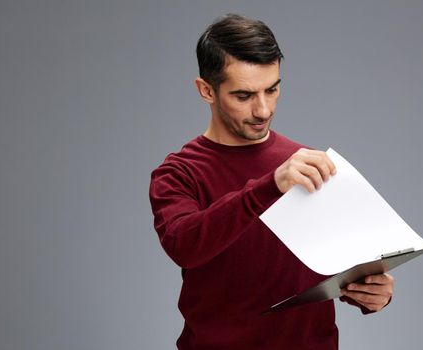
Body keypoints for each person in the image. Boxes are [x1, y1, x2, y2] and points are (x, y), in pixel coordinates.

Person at [149, 14, 394, 349]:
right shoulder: (179, 173)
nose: (263, 110)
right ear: (206, 90)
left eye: (272, 89)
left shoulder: (308, 163)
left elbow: (336, 268)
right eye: (244, 95)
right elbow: (185, 246)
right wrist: (270, 186)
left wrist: (371, 293)